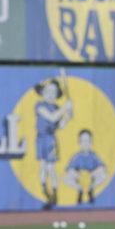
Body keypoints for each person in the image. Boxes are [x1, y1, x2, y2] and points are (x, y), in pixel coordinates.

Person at [33, 77, 72, 209]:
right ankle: (46, 193)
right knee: (43, 167)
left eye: (54, 92)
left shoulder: (56, 107)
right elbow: (51, 117)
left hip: (50, 139)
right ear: (43, 92)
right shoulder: (40, 105)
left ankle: (54, 195)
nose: (50, 94)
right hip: (40, 138)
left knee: (51, 168)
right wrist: (64, 109)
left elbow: (59, 125)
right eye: (48, 91)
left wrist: (68, 115)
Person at [62, 129, 108, 205]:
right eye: (83, 141)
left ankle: (90, 189)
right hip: (79, 178)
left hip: (91, 177)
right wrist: (79, 174)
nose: (85, 144)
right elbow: (69, 169)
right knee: (65, 178)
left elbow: (102, 167)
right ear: (79, 143)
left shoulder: (93, 156)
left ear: (91, 143)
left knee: (104, 175)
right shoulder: (77, 157)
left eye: (87, 141)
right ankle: (79, 189)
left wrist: (91, 174)